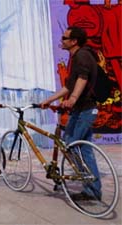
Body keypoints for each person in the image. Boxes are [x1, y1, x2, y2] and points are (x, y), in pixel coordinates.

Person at [40, 26, 101, 201]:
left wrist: (73, 99)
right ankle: (93, 189)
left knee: (71, 146)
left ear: (74, 41)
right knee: (84, 148)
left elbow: (82, 78)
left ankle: (89, 184)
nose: (62, 40)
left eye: (65, 38)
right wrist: (50, 100)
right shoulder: (76, 57)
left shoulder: (81, 55)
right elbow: (69, 85)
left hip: (85, 109)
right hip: (81, 110)